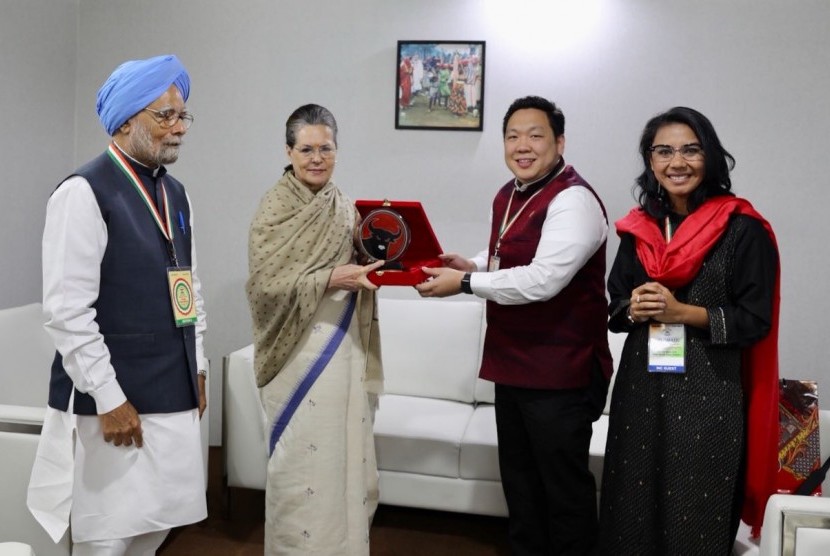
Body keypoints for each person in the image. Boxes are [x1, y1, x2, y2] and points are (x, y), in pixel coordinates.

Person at [27, 54, 208, 554]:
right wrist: (108, 397)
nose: (179, 128)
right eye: (164, 115)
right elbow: (66, 311)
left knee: (155, 529)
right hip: (114, 401)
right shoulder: (83, 192)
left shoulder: (176, 193)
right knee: (107, 539)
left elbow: (189, 282)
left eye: (182, 115)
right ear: (127, 119)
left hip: (172, 390)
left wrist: (199, 363)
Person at [416, 96, 612, 555]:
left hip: (563, 371)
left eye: (535, 135)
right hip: (513, 365)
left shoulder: (574, 200)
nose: (522, 146)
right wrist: (474, 262)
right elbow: (511, 257)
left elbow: (544, 279)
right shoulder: (509, 193)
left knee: (562, 491)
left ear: (559, 141)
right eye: (512, 136)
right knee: (521, 486)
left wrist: (464, 282)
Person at [597, 107, 780, 554]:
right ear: (651, 161)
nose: (677, 162)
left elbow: (755, 319)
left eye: (690, 150)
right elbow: (616, 304)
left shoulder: (741, 229)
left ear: (711, 157)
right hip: (641, 391)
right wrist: (633, 307)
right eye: (664, 151)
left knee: (694, 511)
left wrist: (685, 312)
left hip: (709, 396)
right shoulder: (638, 229)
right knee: (630, 509)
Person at [246, 104, 384, 555]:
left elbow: (357, 262)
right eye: (306, 149)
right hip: (295, 355)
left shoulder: (344, 205)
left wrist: (370, 265)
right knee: (300, 465)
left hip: (342, 347)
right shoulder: (275, 208)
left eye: (325, 148)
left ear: (337, 151)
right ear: (289, 151)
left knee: (341, 456)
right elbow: (264, 287)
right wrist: (330, 278)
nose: (316, 158)